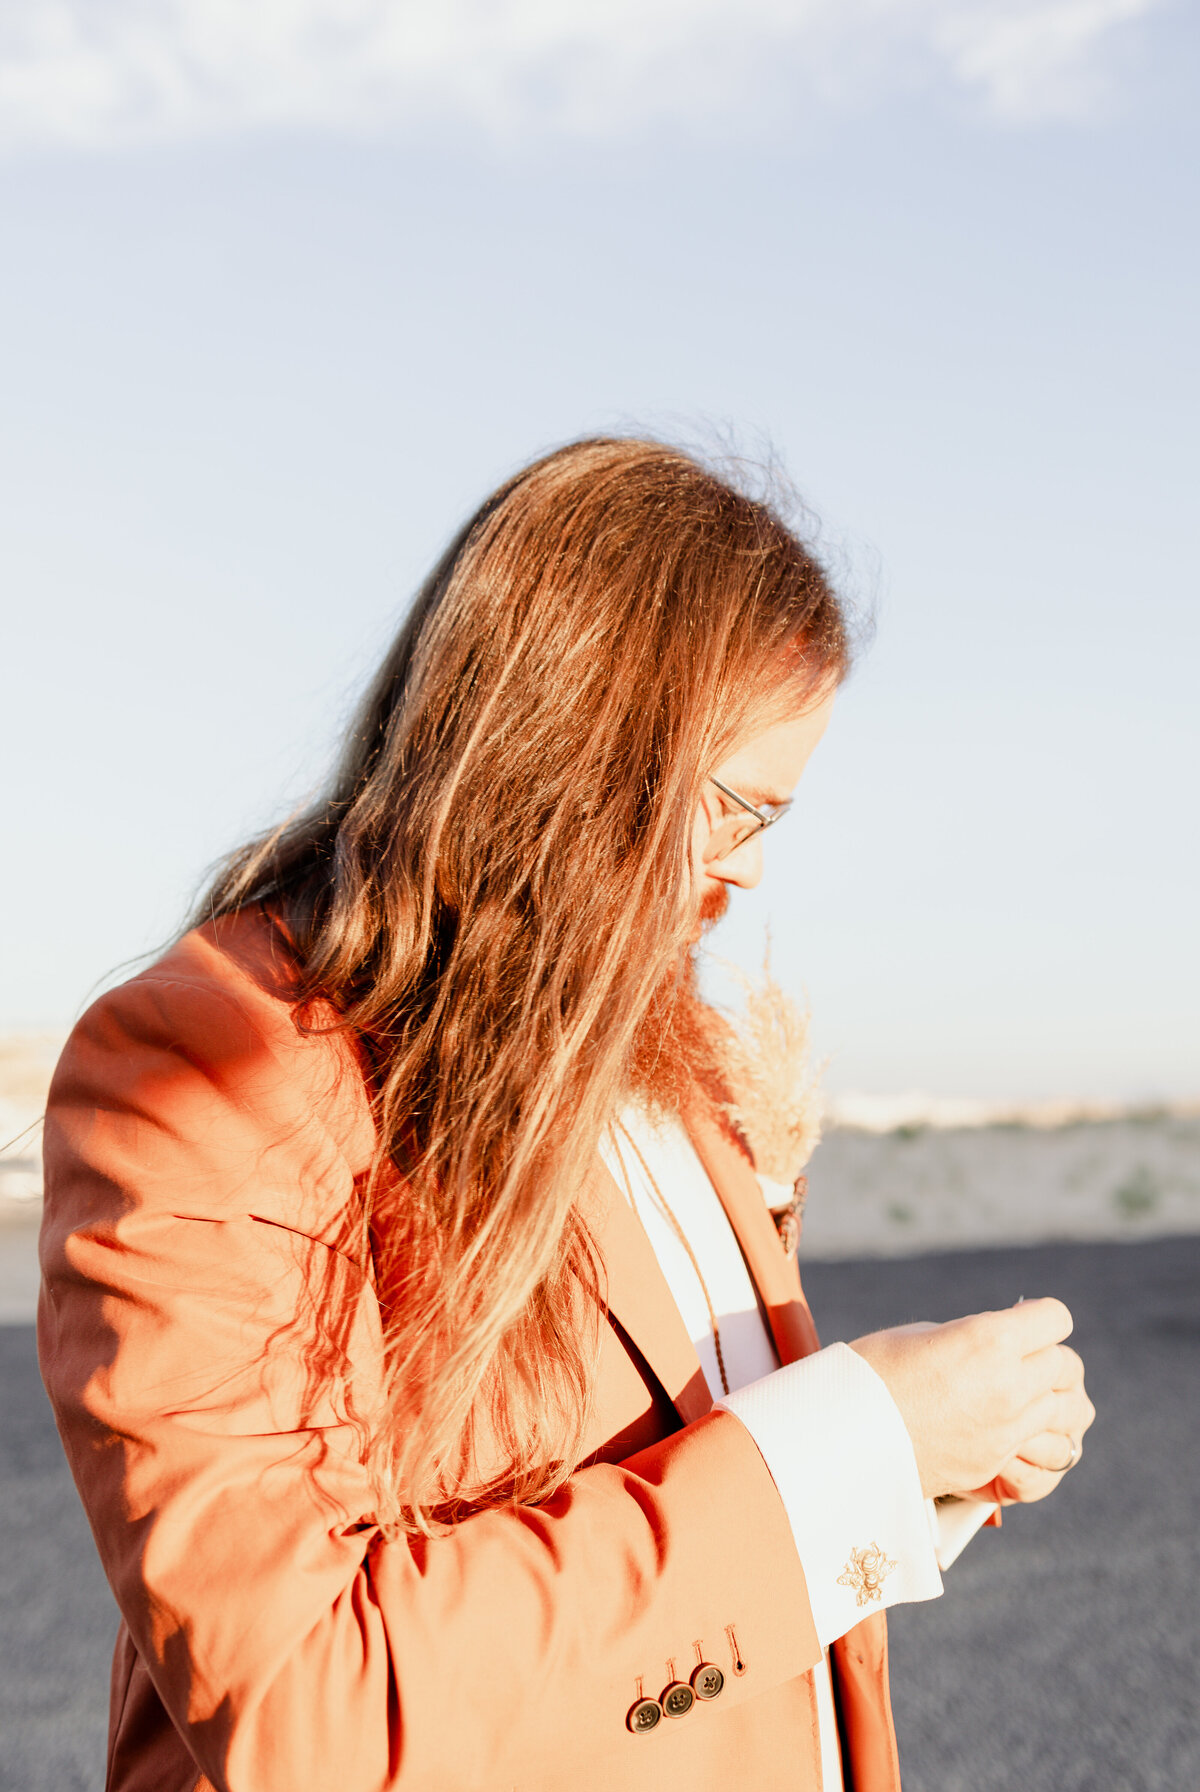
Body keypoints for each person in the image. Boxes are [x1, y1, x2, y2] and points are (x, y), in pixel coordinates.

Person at [39, 437, 1094, 1792]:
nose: (754, 870)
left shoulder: (670, 1054)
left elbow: (682, 1534)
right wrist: (855, 1442)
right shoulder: (207, 1064)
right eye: (735, 805)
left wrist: (924, 1470)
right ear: (573, 740)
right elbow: (311, 1703)